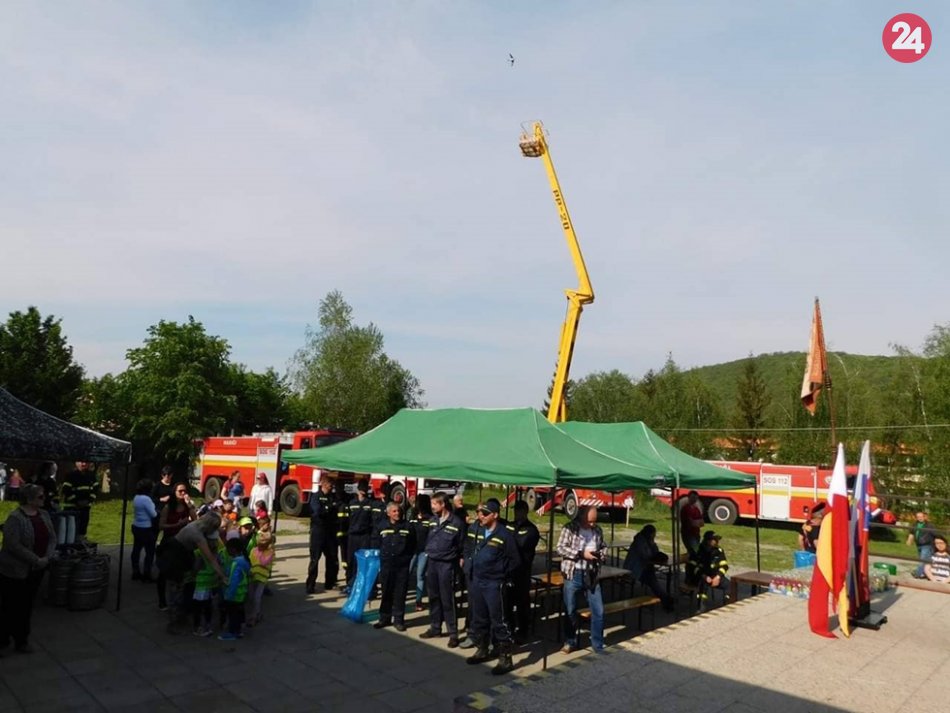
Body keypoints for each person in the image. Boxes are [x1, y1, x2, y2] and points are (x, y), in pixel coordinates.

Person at [465, 498, 520, 675]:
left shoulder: (505, 535)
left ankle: (505, 658)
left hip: (494, 583)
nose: (481, 516)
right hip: (477, 580)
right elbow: (470, 548)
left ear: (495, 515)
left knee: (499, 620)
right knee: (479, 617)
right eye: (479, 513)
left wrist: (501, 573)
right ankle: (482, 649)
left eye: (485, 513)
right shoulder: (479, 530)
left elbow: (515, 560)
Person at [0, 484, 56, 653]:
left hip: (36, 570)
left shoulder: (44, 514)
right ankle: (2, 641)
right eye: (40, 496)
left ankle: (21, 640)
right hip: (15, 570)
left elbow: (52, 538)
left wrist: (47, 557)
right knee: (10, 606)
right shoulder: (15, 518)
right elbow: (13, 545)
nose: (44, 499)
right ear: (29, 499)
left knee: (26, 605)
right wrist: (35, 559)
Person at [558, 505, 607, 654]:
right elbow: (560, 548)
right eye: (590, 521)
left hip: (591, 574)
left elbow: (603, 546)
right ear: (581, 517)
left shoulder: (597, 530)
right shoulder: (569, 528)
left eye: (594, 521)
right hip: (574, 573)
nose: (592, 524)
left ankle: (597, 644)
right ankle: (570, 641)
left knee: (598, 610)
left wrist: (601, 554)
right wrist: (580, 553)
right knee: (570, 609)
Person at [421, 492, 465, 646]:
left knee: (447, 599)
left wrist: (460, 559)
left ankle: (453, 633)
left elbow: (461, 545)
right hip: (432, 562)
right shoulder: (432, 521)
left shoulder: (456, 523)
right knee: (433, 597)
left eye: (435, 504)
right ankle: (435, 627)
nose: (432, 507)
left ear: (443, 504)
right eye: (432, 504)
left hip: (447, 564)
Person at [373, 502, 416, 632]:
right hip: (387, 565)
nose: (397, 513)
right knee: (386, 592)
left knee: (400, 593)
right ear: (388, 513)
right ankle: (384, 618)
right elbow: (375, 543)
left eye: (398, 511)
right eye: (394, 511)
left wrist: (407, 559)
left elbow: (413, 544)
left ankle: (399, 620)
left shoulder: (408, 526)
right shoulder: (381, 526)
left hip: (402, 566)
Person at [155, 482, 196, 610]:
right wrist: (177, 525)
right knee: (164, 571)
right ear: (174, 492)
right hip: (169, 541)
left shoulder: (187, 506)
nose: (183, 493)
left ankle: (181, 600)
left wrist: (190, 506)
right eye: (180, 491)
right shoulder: (168, 507)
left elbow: (195, 521)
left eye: (185, 491)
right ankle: (162, 600)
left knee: (185, 571)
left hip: (183, 543)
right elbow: (161, 525)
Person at [623, 524, 675, 611]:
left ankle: (665, 598)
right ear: (649, 534)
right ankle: (666, 598)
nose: (654, 537)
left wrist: (653, 544)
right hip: (635, 568)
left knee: (654, 581)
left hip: (645, 567)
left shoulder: (648, 541)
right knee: (653, 582)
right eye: (653, 535)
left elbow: (655, 552)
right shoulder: (639, 542)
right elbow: (645, 556)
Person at [509, 500, 540, 642]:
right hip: (509, 571)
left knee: (522, 603)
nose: (516, 513)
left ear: (525, 511)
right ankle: (509, 629)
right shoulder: (510, 525)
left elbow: (520, 546)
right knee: (508, 603)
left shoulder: (531, 530)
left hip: (522, 571)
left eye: (519, 510)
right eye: (515, 510)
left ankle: (523, 631)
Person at [306, 475, 339, 594]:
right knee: (315, 559)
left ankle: (329, 583)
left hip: (330, 532)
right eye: (330, 484)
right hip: (318, 532)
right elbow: (317, 512)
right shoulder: (316, 497)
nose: (332, 487)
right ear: (324, 484)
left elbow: (335, 510)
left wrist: (328, 509)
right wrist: (328, 508)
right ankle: (310, 585)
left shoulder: (333, 497)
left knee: (331, 558)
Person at [192, 530, 226, 637]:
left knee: (208, 606)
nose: (214, 543)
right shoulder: (200, 553)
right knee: (200, 607)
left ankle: (207, 625)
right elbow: (195, 569)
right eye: (212, 540)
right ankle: (198, 627)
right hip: (202, 586)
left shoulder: (217, 552)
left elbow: (220, 564)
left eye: (215, 540)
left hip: (213, 583)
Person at [343, 480, 374, 595]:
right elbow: (346, 520)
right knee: (351, 561)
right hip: (352, 536)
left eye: (365, 488)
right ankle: (350, 585)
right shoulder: (352, 503)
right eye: (361, 488)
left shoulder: (370, 504)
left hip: (365, 536)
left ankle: (362, 586)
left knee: (363, 562)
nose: (363, 490)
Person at [219, 536, 251, 641]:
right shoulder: (244, 561)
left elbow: (234, 581)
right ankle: (239, 630)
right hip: (241, 593)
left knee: (233, 614)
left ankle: (233, 632)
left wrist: (229, 595)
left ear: (233, 550)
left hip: (234, 594)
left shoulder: (236, 563)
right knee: (239, 612)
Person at [131, 478, 159, 582]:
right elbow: (153, 514)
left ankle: (135, 571)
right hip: (146, 527)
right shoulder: (146, 499)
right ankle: (147, 574)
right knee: (150, 552)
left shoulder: (136, 497)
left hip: (136, 525)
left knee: (136, 550)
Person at [693, 531, 730, 609]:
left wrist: (718, 577)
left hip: (715, 576)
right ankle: (700, 607)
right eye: (715, 539)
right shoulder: (700, 551)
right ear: (708, 541)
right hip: (702, 576)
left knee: (729, 585)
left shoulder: (719, 550)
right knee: (702, 585)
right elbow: (695, 568)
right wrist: (705, 576)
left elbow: (724, 566)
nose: (717, 541)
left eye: (717, 539)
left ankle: (727, 605)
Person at [61, 461, 98, 540]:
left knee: (83, 527)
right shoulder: (71, 475)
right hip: (72, 508)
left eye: (85, 462)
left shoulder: (91, 476)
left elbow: (95, 491)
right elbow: (66, 491)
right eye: (81, 462)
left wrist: (89, 500)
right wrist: (77, 501)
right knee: (71, 528)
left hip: (86, 508)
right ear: (76, 463)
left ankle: (80, 541)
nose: (83, 464)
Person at [409, 494, 433, 612]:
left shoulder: (430, 518)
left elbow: (432, 536)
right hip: (412, 550)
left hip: (424, 551)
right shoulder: (412, 515)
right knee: (406, 572)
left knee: (420, 575)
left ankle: (418, 601)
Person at [248, 530, 276, 625]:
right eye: (259, 544)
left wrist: (260, 554)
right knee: (251, 596)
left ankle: (254, 616)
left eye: (263, 545)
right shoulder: (253, 550)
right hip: (252, 576)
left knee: (257, 597)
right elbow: (250, 561)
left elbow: (264, 562)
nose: (260, 547)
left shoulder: (270, 552)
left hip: (262, 578)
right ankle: (258, 612)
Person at [908, 512, 936, 578]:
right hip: (919, 545)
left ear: (924, 517)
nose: (920, 518)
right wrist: (909, 540)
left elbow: (935, 534)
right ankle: (925, 573)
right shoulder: (915, 524)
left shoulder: (929, 525)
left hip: (927, 545)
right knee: (925, 560)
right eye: (918, 517)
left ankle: (917, 574)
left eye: (921, 517)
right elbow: (911, 533)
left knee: (922, 560)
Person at [680, 491, 704, 557]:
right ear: (688, 497)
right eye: (693, 497)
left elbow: (702, 523)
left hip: (696, 534)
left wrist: (695, 522)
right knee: (694, 551)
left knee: (694, 552)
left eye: (696, 498)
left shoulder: (696, 509)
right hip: (688, 534)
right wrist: (697, 522)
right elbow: (691, 523)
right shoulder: (685, 508)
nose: (694, 499)